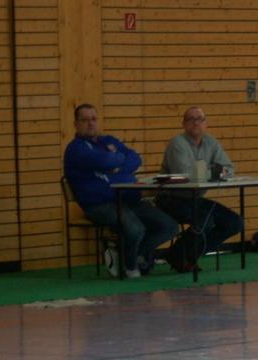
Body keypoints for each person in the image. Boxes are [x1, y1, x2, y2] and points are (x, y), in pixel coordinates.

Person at [63, 103, 178, 278]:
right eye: (84, 120)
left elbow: (136, 159)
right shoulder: (75, 149)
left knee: (169, 226)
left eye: (93, 119)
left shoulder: (108, 141)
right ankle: (130, 268)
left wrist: (116, 164)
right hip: (99, 204)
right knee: (135, 228)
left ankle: (127, 254)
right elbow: (104, 161)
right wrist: (117, 160)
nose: (90, 123)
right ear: (75, 124)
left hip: (129, 199)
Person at [156, 106, 244, 272]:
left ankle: (185, 255)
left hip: (195, 199)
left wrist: (206, 172)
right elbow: (187, 175)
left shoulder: (212, 143)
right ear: (183, 124)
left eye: (199, 119)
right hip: (171, 198)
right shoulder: (177, 143)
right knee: (205, 221)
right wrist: (213, 172)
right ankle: (182, 256)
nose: (195, 123)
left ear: (205, 123)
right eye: (191, 119)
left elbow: (229, 169)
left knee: (235, 222)